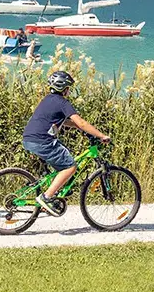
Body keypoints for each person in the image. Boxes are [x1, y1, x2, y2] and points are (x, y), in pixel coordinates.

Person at [22, 70, 111, 215]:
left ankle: (53, 192)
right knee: (69, 167)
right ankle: (46, 197)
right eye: (68, 88)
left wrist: (77, 126)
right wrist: (101, 135)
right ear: (64, 88)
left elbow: (70, 122)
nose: (69, 91)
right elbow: (81, 122)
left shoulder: (47, 100)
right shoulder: (62, 102)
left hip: (29, 138)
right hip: (43, 141)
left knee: (60, 167)